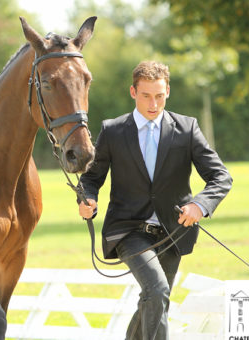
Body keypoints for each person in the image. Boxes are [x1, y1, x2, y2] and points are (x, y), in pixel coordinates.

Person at [77, 60, 232, 339]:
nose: (153, 103)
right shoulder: (112, 131)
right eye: (146, 95)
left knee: (153, 300)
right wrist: (87, 198)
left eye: (159, 95)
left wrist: (200, 205)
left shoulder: (187, 129)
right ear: (133, 92)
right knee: (157, 291)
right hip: (128, 230)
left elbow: (220, 176)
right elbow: (91, 177)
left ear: (168, 91)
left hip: (173, 231)